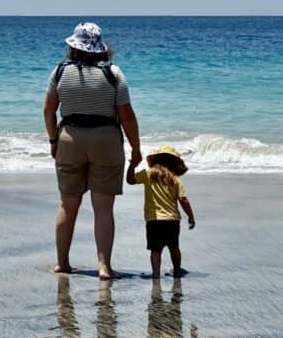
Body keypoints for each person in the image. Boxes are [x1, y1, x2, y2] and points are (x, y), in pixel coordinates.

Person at [44, 22, 142, 280]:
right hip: (106, 140)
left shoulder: (59, 72)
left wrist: (53, 140)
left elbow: (49, 110)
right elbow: (127, 116)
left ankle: (62, 263)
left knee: (68, 203)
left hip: (70, 139)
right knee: (103, 208)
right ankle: (104, 267)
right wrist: (136, 149)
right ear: (101, 48)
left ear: (72, 47)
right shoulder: (114, 74)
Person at [126, 145, 196, 278]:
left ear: (156, 160)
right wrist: (191, 217)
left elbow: (130, 180)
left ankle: (156, 274)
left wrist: (132, 165)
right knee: (174, 247)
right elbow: (183, 200)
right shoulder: (175, 179)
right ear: (174, 163)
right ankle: (176, 271)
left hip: (154, 220)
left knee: (155, 250)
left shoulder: (148, 174)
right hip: (172, 220)